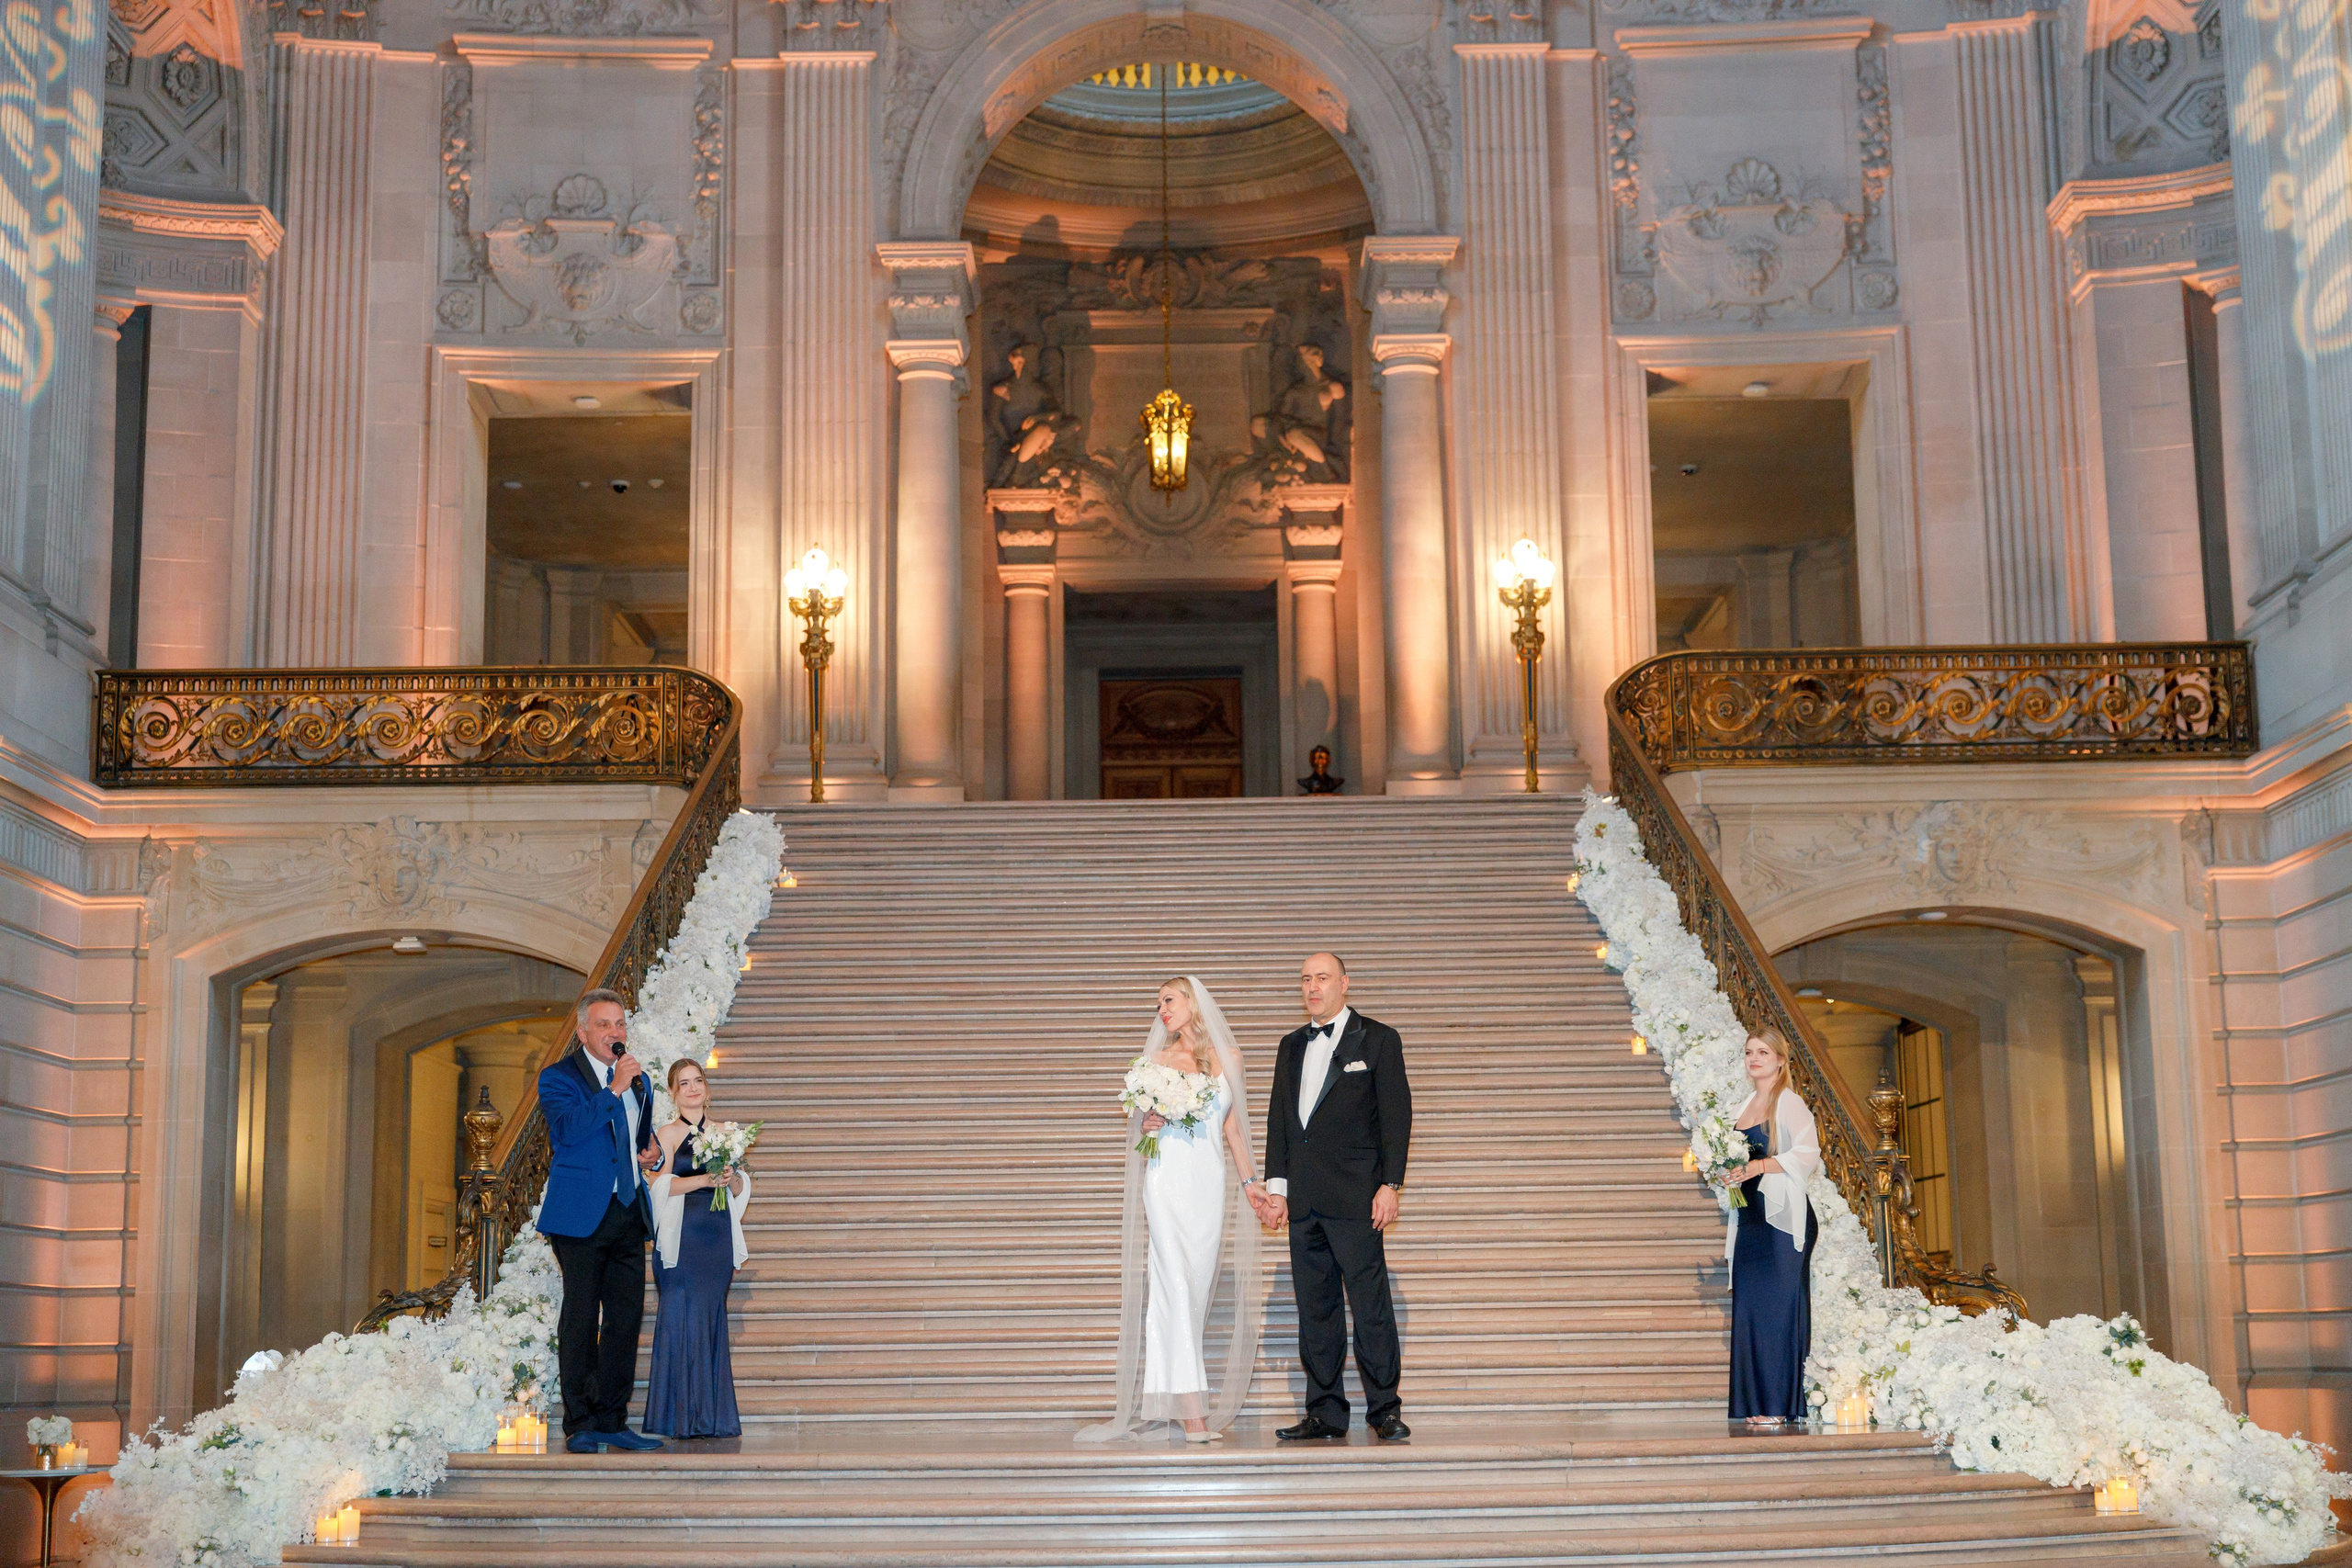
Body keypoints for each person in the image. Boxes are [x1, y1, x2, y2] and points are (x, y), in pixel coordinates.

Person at [1078, 976, 1265, 1444]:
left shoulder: (1230, 1061)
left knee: (1193, 1294)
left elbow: (1233, 1131)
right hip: (1164, 1185)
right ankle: (1193, 1412)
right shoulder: (1154, 1064)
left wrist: (1251, 1186)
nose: (1160, 1010)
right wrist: (1151, 1124)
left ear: (1193, 1003)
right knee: (1176, 1289)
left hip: (1206, 1191)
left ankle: (1179, 1401)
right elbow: (1143, 1142)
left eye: (1168, 1000)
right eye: (1158, 1003)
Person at [1260, 952, 1413, 1442]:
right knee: (1316, 1310)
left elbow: (1396, 1116)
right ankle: (1325, 1412)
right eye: (1305, 979)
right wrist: (1277, 1189)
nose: (1313, 987)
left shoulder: (1379, 1039)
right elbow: (1280, 1122)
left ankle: (1383, 1409)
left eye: (1322, 978)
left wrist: (1391, 1185)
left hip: (1356, 1199)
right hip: (1303, 1202)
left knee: (1370, 1306)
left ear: (1345, 983)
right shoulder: (1290, 1046)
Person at [535, 988, 666, 1453]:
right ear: (583, 1031)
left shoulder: (638, 1080)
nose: (616, 1033)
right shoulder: (558, 1078)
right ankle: (581, 1423)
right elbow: (569, 1130)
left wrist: (654, 1153)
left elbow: (640, 1136)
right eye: (606, 1025)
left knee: (625, 1318)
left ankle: (613, 1418)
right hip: (580, 1217)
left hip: (627, 1211)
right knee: (581, 1317)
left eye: (621, 1024)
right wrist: (612, 1090)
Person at [642, 1058, 749, 1439]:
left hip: (715, 1236)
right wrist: (703, 1178)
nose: (692, 1088)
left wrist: (732, 1177)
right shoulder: (666, 1134)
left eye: (697, 1081)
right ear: (673, 1093)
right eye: (683, 1083)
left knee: (709, 1319)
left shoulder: (726, 1132)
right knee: (677, 1317)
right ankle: (676, 1418)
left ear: (706, 1087)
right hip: (681, 1237)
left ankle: (711, 1417)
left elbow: (739, 1191)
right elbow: (659, 1185)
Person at [1725, 1027, 1821, 1427]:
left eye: (1763, 1052)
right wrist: (1729, 1172)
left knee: (1778, 1311)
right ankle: (1754, 1403)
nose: (1755, 1059)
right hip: (1750, 1218)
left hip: (1781, 1221)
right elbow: (1737, 1156)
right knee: (1749, 1309)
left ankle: (1778, 1405)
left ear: (1781, 1060)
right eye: (1749, 1052)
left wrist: (1759, 1165)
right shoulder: (1743, 1105)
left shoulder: (1790, 1102)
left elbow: (1808, 1154)